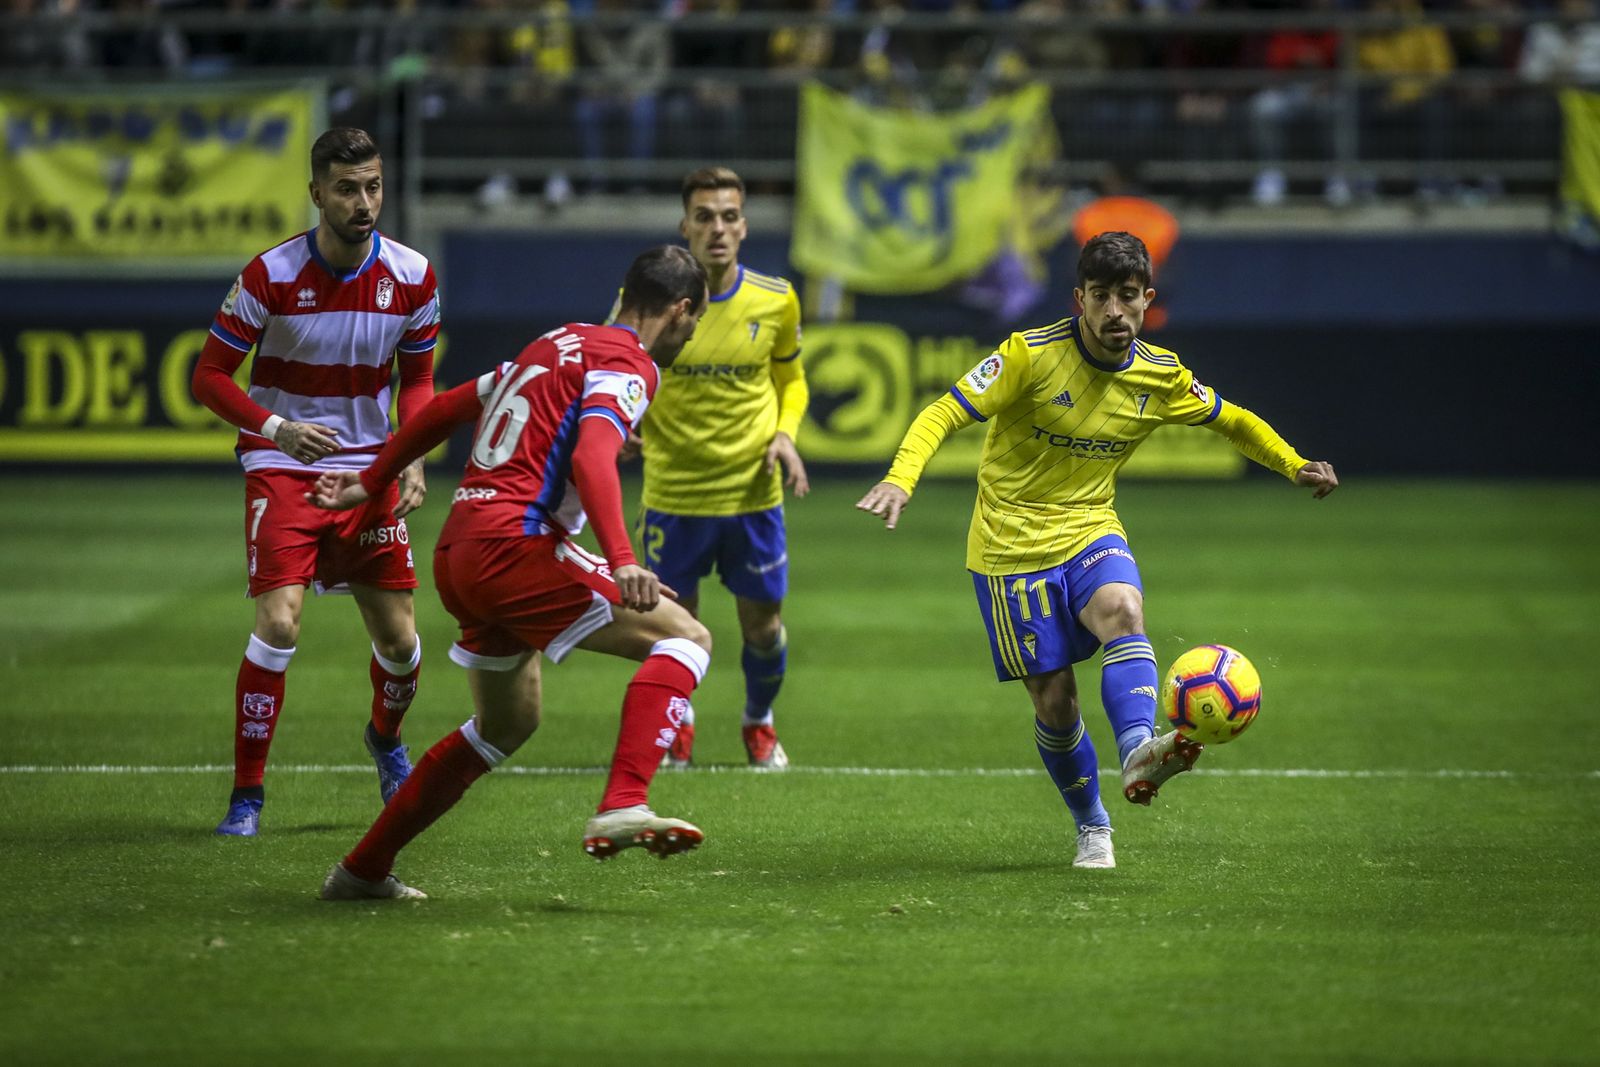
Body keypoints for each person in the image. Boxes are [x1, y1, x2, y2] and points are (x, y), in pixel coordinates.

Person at [856, 231, 1338, 871]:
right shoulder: (1027, 356)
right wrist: (900, 477)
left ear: (1147, 301)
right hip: (1009, 545)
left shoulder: (1160, 376)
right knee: (1055, 705)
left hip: (1088, 527)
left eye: (1129, 297)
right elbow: (944, 411)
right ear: (1079, 298)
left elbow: (1232, 419)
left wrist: (1293, 463)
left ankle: (1140, 750)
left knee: (1123, 610)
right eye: (1103, 296)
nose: (1116, 311)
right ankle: (1092, 825)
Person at [312, 245, 713, 901]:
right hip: (516, 545)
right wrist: (624, 560)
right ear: (679, 309)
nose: (689, 335)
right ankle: (624, 800)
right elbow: (591, 455)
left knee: (505, 724)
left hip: (460, 550)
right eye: (693, 322)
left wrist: (369, 481)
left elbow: (444, 409)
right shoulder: (630, 362)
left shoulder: (554, 343)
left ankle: (362, 870)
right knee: (687, 638)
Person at [191, 127, 439, 837]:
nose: (364, 203)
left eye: (373, 187)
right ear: (316, 194)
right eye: (347, 189)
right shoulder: (269, 276)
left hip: (369, 470)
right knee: (278, 622)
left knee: (399, 644)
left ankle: (386, 740)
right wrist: (277, 430)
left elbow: (418, 380)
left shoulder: (414, 276)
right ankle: (247, 795)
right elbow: (207, 377)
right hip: (284, 466)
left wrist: (411, 455)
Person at [628, 166, 810, 770]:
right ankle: (678, 724)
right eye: (704, 216)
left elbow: (791, 378)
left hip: (751, 496)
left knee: (763, 628)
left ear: (744, 226)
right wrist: (622, 421)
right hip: (673, 495)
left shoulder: (776, 299)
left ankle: (759, 720)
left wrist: (785, 435)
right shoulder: (650, 300)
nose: (717, 229)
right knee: (676, 629)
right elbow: (618, 369)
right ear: (684, 226)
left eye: (729, 216)